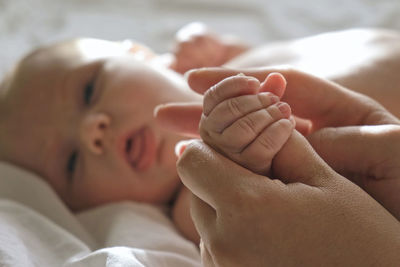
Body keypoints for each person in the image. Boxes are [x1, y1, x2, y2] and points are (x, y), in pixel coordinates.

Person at [1, 23, 400, 245]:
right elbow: (253, 218)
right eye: (71, 162)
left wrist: (225, 49)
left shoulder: (232, 65)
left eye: (89, 90)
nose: (93, 131)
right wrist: (239, 154)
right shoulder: (200, 197)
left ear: (142, 55)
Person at [156, 67, 400, 266]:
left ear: (141, 53)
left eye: (114, 77)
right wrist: (244, 160)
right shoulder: (182, 204)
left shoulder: (233, 59)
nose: (114, 119)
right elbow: (245, 216)